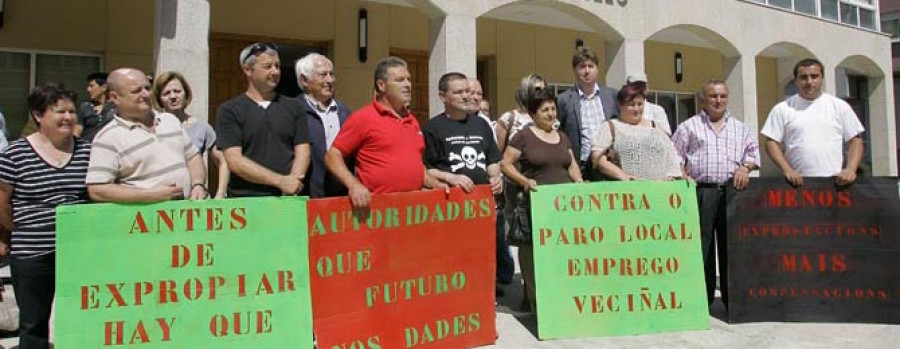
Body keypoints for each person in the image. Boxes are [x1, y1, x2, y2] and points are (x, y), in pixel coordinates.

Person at [0, 83, 91, 348]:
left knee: (78, 317)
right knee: (33, 323)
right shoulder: (15, 153)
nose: (68, 117)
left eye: (72, 111)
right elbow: (2, 202)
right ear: (38, 115)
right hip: (32, 251)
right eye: (59, 111)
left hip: (78, 250)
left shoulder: (87, 151)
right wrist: (11, 233)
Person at [672, 80, 759, 309]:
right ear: (703, 99)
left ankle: (733, 300)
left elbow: (753, 153)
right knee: (703, 247)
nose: (718, 101)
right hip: (702, 192)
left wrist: (745, 168)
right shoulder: (689, 127)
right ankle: (703, 299)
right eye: (713, 96)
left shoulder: (740, 128)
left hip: (733, 192)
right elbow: (676, 157)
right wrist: (683, 176)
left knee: (731, 246)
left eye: (722, 96)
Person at [325, 56, 446, 211]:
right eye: (400, 80)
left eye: (409, 79)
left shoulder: (412, 121)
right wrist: (354, 185)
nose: (407, 85)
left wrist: (433, 183)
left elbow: (416, 164)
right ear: (381, 85)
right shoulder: (363, 118)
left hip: (412, 210)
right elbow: (332, 156)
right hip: (377, 211)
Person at [500, 89, 583, 312]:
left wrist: (579, 181)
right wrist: (524, 181)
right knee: (533, 256)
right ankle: (536, 303)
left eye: (553, 109)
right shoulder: (524, 136)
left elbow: (571, 163)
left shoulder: (562, 136)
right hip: (536, 205)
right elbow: (505, 164)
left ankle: (562, 301)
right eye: (544, 110)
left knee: (561, 254)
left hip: (564, 207)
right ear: (534, 114)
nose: (550, 114)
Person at [86, 68, 207, 203]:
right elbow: (97, 190)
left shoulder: (170, 120)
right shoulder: (107, 138)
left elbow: (193, 157)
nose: (145, 94)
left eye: (147, 88)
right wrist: (147, 195)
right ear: (115, 97)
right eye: (136, 91)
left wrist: (198, 185)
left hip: (185, 213)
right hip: (144, 220)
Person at [215, 43, 311, 197]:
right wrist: (280, 181)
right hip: (246, 202)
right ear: (248, 70)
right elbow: (234, 161)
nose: (275, 71)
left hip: (288, 200)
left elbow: (303, 151)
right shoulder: (229, 111)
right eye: (268, 66)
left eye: (277, 66)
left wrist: (292, 183)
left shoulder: (295, 107)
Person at [761, 58, 864, 187]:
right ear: (796, 80)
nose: (809, 82)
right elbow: (771, 142)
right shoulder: (782, 109)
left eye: (814, 76)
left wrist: (850, 169)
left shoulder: (839, 106)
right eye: (803, 77)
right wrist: (787, 169)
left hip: (834, 184)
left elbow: (855, 140)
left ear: (822, 78)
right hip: (796, 185)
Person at [151, 71, 230, 198]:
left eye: (177, 91)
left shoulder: (202, 128)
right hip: (163, 199)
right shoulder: (153, 127)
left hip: (195, 198)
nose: (173, 96)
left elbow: (223, 161)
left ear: (186, 94)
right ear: (159, 99)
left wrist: (220, 193)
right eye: (166, 93)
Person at [590, 83, 681, 180]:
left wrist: (672, 175)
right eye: (631, 105)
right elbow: (597, 158)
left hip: (660, 190)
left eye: (640, 104)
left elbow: (671, 155)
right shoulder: (610, 127)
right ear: (620, 105)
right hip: (627, 191)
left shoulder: (656, 127)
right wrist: (623, 176)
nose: (636, 109)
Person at [295, 53, 354, 198]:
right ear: (304, 80)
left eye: (331, 74)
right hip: (307, 196)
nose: (330, 80)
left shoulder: (345, 112)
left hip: (342, 196)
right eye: (323, 75)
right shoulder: (293, 111)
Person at [557, 47, 618, 180]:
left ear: (597, 69)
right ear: (575, 70)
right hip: (580, 166)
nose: (587, 71)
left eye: (591, 66)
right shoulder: (564, 100)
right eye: (582, 66)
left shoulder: (612, 96)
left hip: (608, 163)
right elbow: (559, 133)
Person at [75, 72, 116, 142]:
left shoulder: (116, 107)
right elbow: (77, 130)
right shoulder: (85, 107)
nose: (88, 90)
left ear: (104, 87)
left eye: (91, 86)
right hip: (87, 147)